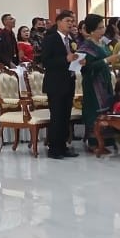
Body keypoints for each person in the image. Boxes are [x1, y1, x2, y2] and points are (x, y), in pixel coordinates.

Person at [78, 15, 120, 149]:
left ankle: (107, 141)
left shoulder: (102, 43)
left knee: (107, 108)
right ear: (91, 30)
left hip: (105, 79)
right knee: (95, 111)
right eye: (99, 28)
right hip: (93, 83)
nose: (102, 30)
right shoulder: (86, 46)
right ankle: (94, 142)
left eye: (103, 27)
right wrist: (106, 60)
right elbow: (86, 68)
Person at [40, 11, 79, 160]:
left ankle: (63, 146)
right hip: (55, 83)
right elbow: (46, 61)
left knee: (65, 116)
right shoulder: (51, 39)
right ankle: (54, 148)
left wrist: (78, 60)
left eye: (72, 21)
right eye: (68, 20)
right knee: (57, 116)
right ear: (58, 22)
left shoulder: (71, 39)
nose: (71, 24)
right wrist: (65, 59)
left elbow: (71, 59)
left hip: (69, 81)